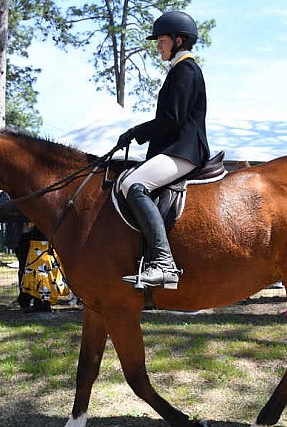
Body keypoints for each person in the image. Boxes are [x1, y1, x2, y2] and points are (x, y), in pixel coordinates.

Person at [116, 11, 210, 290]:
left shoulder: (186, 70)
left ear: (178, 40)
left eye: (162, 39)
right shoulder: (180, 69)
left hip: (184, 150)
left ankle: (164, 263)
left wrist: (137, 132)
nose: (158, 45)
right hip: (176, 148)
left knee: (134, 185)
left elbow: (172, 119)